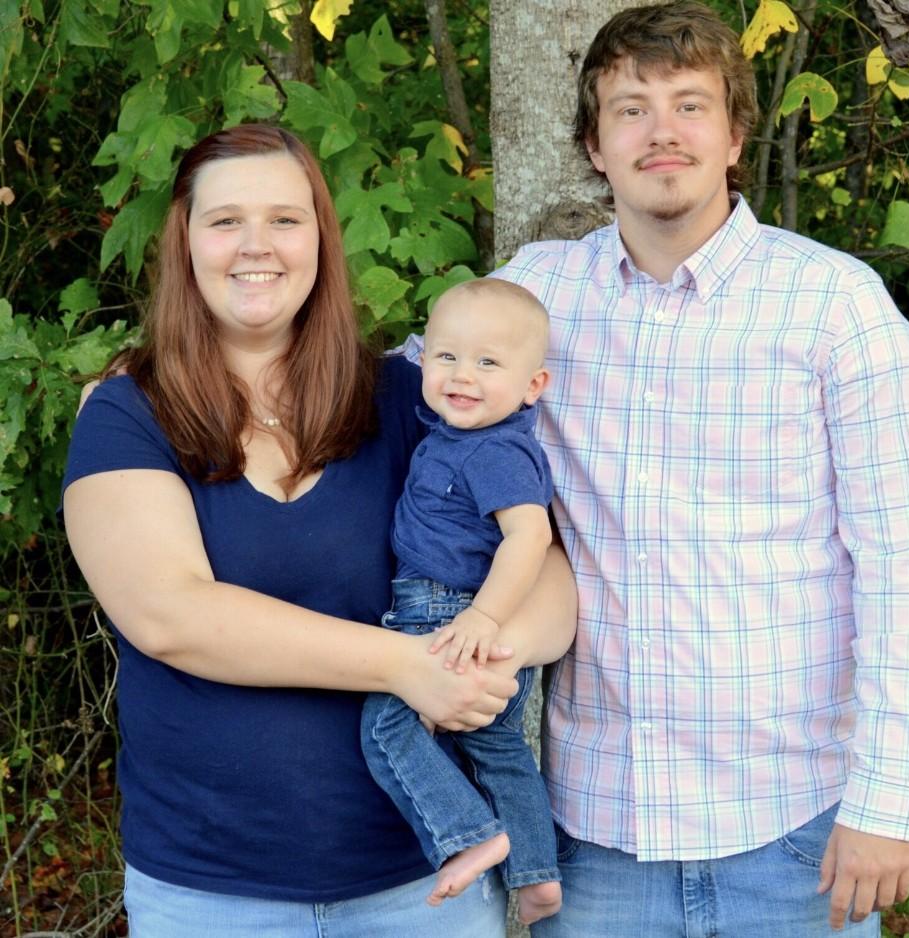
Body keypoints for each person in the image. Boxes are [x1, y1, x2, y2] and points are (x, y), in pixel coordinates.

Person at [485, 3, 909, 935]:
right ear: (594, 146)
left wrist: (887, 801)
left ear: (734, 137)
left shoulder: (836, 306)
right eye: (631, 109)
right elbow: (397, 395)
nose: (662, 132)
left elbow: (901, 568)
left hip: (797, 839)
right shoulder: (537, 292)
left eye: (690, 105)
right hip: (596, 839)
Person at [62, 124, 577, 938]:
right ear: (185, 242)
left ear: (321, 240)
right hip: (213, 892)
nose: (256, 245)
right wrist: (406, 666)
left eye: (284, 219)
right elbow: (170, 615)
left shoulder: (411, 396)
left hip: (422, 888)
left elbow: (550, 592)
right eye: (225, 221)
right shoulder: (129, 414)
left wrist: (475, 657)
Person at [361, 278, 563, 926]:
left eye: (488, 362)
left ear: (533, 385)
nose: (462, 375)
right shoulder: (457, 432)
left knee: (386, 727)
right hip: (458, 612)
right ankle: (536, 875)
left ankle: (467, 836)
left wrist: (484, 617)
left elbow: (530, 536)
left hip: (451, 614)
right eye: (446, 356)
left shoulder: (495, 450)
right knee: (498, 750)